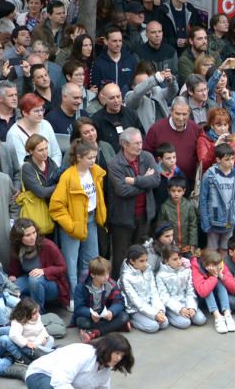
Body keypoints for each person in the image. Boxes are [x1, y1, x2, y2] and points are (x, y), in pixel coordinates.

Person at [50, 140, 106, 296]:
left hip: (91, 220)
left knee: (92, 260)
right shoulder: (68, 177)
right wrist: (70, 226)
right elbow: (56, 206)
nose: (93, 161)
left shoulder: (95, 172)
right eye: (89, 158)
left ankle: (90, 294)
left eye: (95, 157)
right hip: (73, 224)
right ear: (79, 157)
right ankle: (73, 297)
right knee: (71, 263)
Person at [106, 128, 161, 279]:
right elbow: (122, 191)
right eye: (136, 143)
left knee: (141, 255)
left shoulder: (147, 157)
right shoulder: (115, 164)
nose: (140, 146)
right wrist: (144, 182)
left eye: (141, 142)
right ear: (124, 144)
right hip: (123, 219)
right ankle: (118, 288)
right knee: (121, 257)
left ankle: (139, 283)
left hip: (144, 216)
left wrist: (135, 181)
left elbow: (156, 180)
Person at [8, 218, 68, 311]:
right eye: (27, 235)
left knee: (34, 279)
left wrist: (44, 271)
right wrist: (12, 276)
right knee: (12, 287)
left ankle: (38, 313)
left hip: (51, 284)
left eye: (34, 232)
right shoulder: (17, 248)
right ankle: (23, 312)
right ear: (19, 238)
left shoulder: (47, 245)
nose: (32, 237)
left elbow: (62, 267)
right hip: (28, 280)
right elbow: (14, 271)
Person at [71, 256, 131, 343]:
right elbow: (78, 308)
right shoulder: (81, 287)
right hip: (90, 316)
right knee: (83, 322)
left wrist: (111, 312)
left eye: (107, 273)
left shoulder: (111, 284)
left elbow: (119, 302)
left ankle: (95, 333)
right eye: (102, 275)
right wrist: (90, 313)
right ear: (92, 275)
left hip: (105, 314)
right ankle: (116, 326)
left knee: (124, 316)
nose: (106, 277)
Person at [198, 143, 235, 254]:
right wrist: (205, 222)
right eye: (227, 159)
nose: (231, 162)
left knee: (225, 249)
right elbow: (203, 200)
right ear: (218, 160)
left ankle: (222, 271)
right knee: (212, 250)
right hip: (213, 220)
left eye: (233, 159)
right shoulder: (209, 175)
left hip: (230, 220)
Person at [119, 244, 168, 333]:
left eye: (146, 260)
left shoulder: (148, 269)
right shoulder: (126, 277)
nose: (145, 263)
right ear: (132, 261)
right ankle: (131, 321)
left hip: (149, 304)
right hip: (134, 309)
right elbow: (136, 301)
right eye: (141, 261)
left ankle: (154, 316)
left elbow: (154, 292)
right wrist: (154, 315)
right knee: (153, 327)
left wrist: (159, 310)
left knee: (164, 323)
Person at [155, 245, 206, 329]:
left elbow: (191, 290)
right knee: (185, 323)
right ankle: (169, 315)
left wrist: (191, 307)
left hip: (186, 301)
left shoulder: (186, 270)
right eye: (175, 259)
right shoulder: (160, 276)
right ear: (166, 261)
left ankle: (190, 311)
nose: (179, 261)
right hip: (172, 306)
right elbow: (164, 297)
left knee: (200, 320)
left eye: (180, 258)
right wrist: (180, 309)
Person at [8, 296, 54, 360]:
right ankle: (49, 354)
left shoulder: (37, 316)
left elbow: (42, 328)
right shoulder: (18, 321)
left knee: (51, 339)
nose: (37, 314)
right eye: (34, 313)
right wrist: (26, 343)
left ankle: (46, 354)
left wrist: (45, 337)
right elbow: (13, 335)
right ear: (26, 314)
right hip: (31, 345)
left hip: (40, 340)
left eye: (37, 311)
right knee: (39, 350)